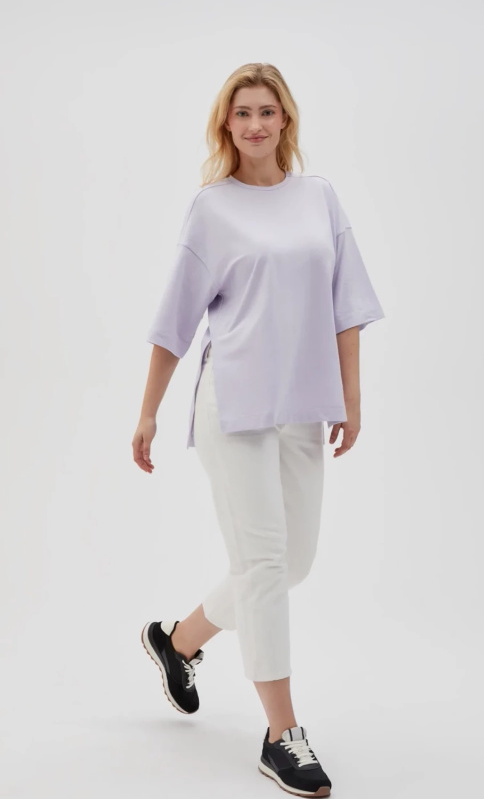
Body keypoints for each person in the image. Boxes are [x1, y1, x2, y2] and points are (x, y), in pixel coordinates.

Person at [132, 62, 385, 797]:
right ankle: (282, 735)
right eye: (240, 112)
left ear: (285, 120)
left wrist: (350, 398)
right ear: (226, 123)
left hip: (303, 404)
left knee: (288, 564)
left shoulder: (318, 197)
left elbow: (346, 304)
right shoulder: (211, 208)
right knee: (267, 565)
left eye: (265, 111)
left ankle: (177, 642)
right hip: (234, 403)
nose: (253, 124)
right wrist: (148, 410)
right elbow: (175, 320)